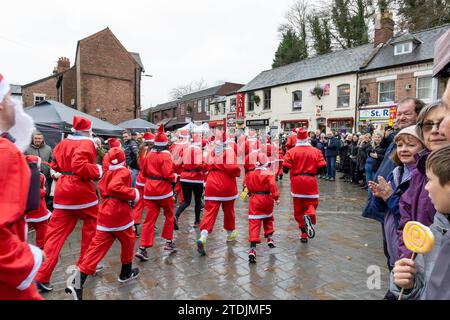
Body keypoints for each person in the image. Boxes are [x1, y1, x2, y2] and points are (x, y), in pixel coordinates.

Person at [34, 115, 102, 293]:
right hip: (82, 193)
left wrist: (64, 171)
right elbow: (80, 166)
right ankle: (83, 269)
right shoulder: (87, 143)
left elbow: (55, 165)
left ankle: (41, 276)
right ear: (87, 130)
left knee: (54, 237)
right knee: (91, 230)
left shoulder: (62, 143)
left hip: (63, 193)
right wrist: (98, 170)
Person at [70, 147, 140, 300]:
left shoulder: (107, 171)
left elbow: (104, 187)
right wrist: (133, 193)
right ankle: (125, 273)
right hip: (119, 212)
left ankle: (77, 281)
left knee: (96, 248)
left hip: (105, 212)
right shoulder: (123, 171)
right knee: (128, 240)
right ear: (123, 160)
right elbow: (115, 187)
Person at [0, 73, 44, 300]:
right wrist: (27, 259)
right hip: (8, 282)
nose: (13, 104)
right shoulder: (5, 152)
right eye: (8, 97)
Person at [391, 145, 450, 299]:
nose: (426, 187)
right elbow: (424, 284)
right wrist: (409, 284)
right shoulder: (438, 229)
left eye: (430, 180)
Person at [367, 126, 425, 271]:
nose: (403, 149)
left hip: (410, 246)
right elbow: (382, 211)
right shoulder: (396, 172)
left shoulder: (422, 177)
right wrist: (378, 197)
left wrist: (389, 197)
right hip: (392, 237)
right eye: (399, 145)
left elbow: (411, 217)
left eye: (411, 145)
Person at [397, 101, 448, 260]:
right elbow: (406, 223)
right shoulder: (419, 172)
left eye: (442, 123)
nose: (434, 130)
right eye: (428, 125)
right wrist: (408, 261)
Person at [135, 125, 176, 261]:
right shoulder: (166, 156)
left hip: (149, 190)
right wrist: (174, 177)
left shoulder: (149, 155)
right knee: (169, 215)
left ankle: (142, 248)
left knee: (149, 220)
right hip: (163, 190)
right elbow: (168, 174)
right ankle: (169, 242)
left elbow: (144, 172)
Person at [196, 131, 241, 256]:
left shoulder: (212, 152)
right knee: (229, 210)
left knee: (209, 212)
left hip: (212, 184)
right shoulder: (230, 151)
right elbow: (233, 168)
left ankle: (203, 236)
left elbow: (204, 166)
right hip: (227, 185)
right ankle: (230, 234)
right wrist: (238, 171)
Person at [283, 128, 326, 243]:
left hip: (297, 182)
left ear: (297, 138)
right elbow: (323, 168)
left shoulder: (291, 152)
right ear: (307, 138)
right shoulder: (316, 151)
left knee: (298, 208)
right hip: (310, 180)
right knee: (312, 203)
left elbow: (285, 169)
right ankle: (309, 214)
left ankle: (303, 234)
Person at [244, 152, 280, 263]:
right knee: (268, 219)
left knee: (254, 223)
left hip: (255, 200)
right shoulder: (269, 173)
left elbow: (246, 187)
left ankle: (253, 248)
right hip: (267, 199)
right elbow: (272, 186)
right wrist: (276, 197)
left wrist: (245, 195)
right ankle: (269, 238)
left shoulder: (250, 174)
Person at [174, 133, 206, 230]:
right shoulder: (199, 151)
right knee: (197, 201)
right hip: (197, 178)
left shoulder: (185, 150)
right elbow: (202, 166)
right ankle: (196, 221)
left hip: (185, 178)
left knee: (186, 201)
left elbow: (177, 164)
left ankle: (176, 216)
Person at [24, 155, 52, 250]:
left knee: (42, 229)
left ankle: (41, 247)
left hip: (39, 209)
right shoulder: (22, 176)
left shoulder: (41, 176)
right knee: (24, 230)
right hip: (29, 210)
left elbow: (45, 190)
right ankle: (24, 248)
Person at [25, 131, 54, 210]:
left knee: (46, 195)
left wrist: (50, 171)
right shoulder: (26, 149)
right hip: (32, 178)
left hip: (47, 178)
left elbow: (52, 161)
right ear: (32, 139)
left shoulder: (48, 148)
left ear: (42, 139)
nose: (37, 140)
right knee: (33, 196)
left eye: (39, 138)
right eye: (36, 138)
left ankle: (46, 212)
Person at [133, 132, 154, 236]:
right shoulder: (151, 152)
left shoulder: (140, 150)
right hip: (148, 180)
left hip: (140, 179)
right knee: (151, 204)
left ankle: (135, 225)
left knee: (139, 204)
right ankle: (150, 224)